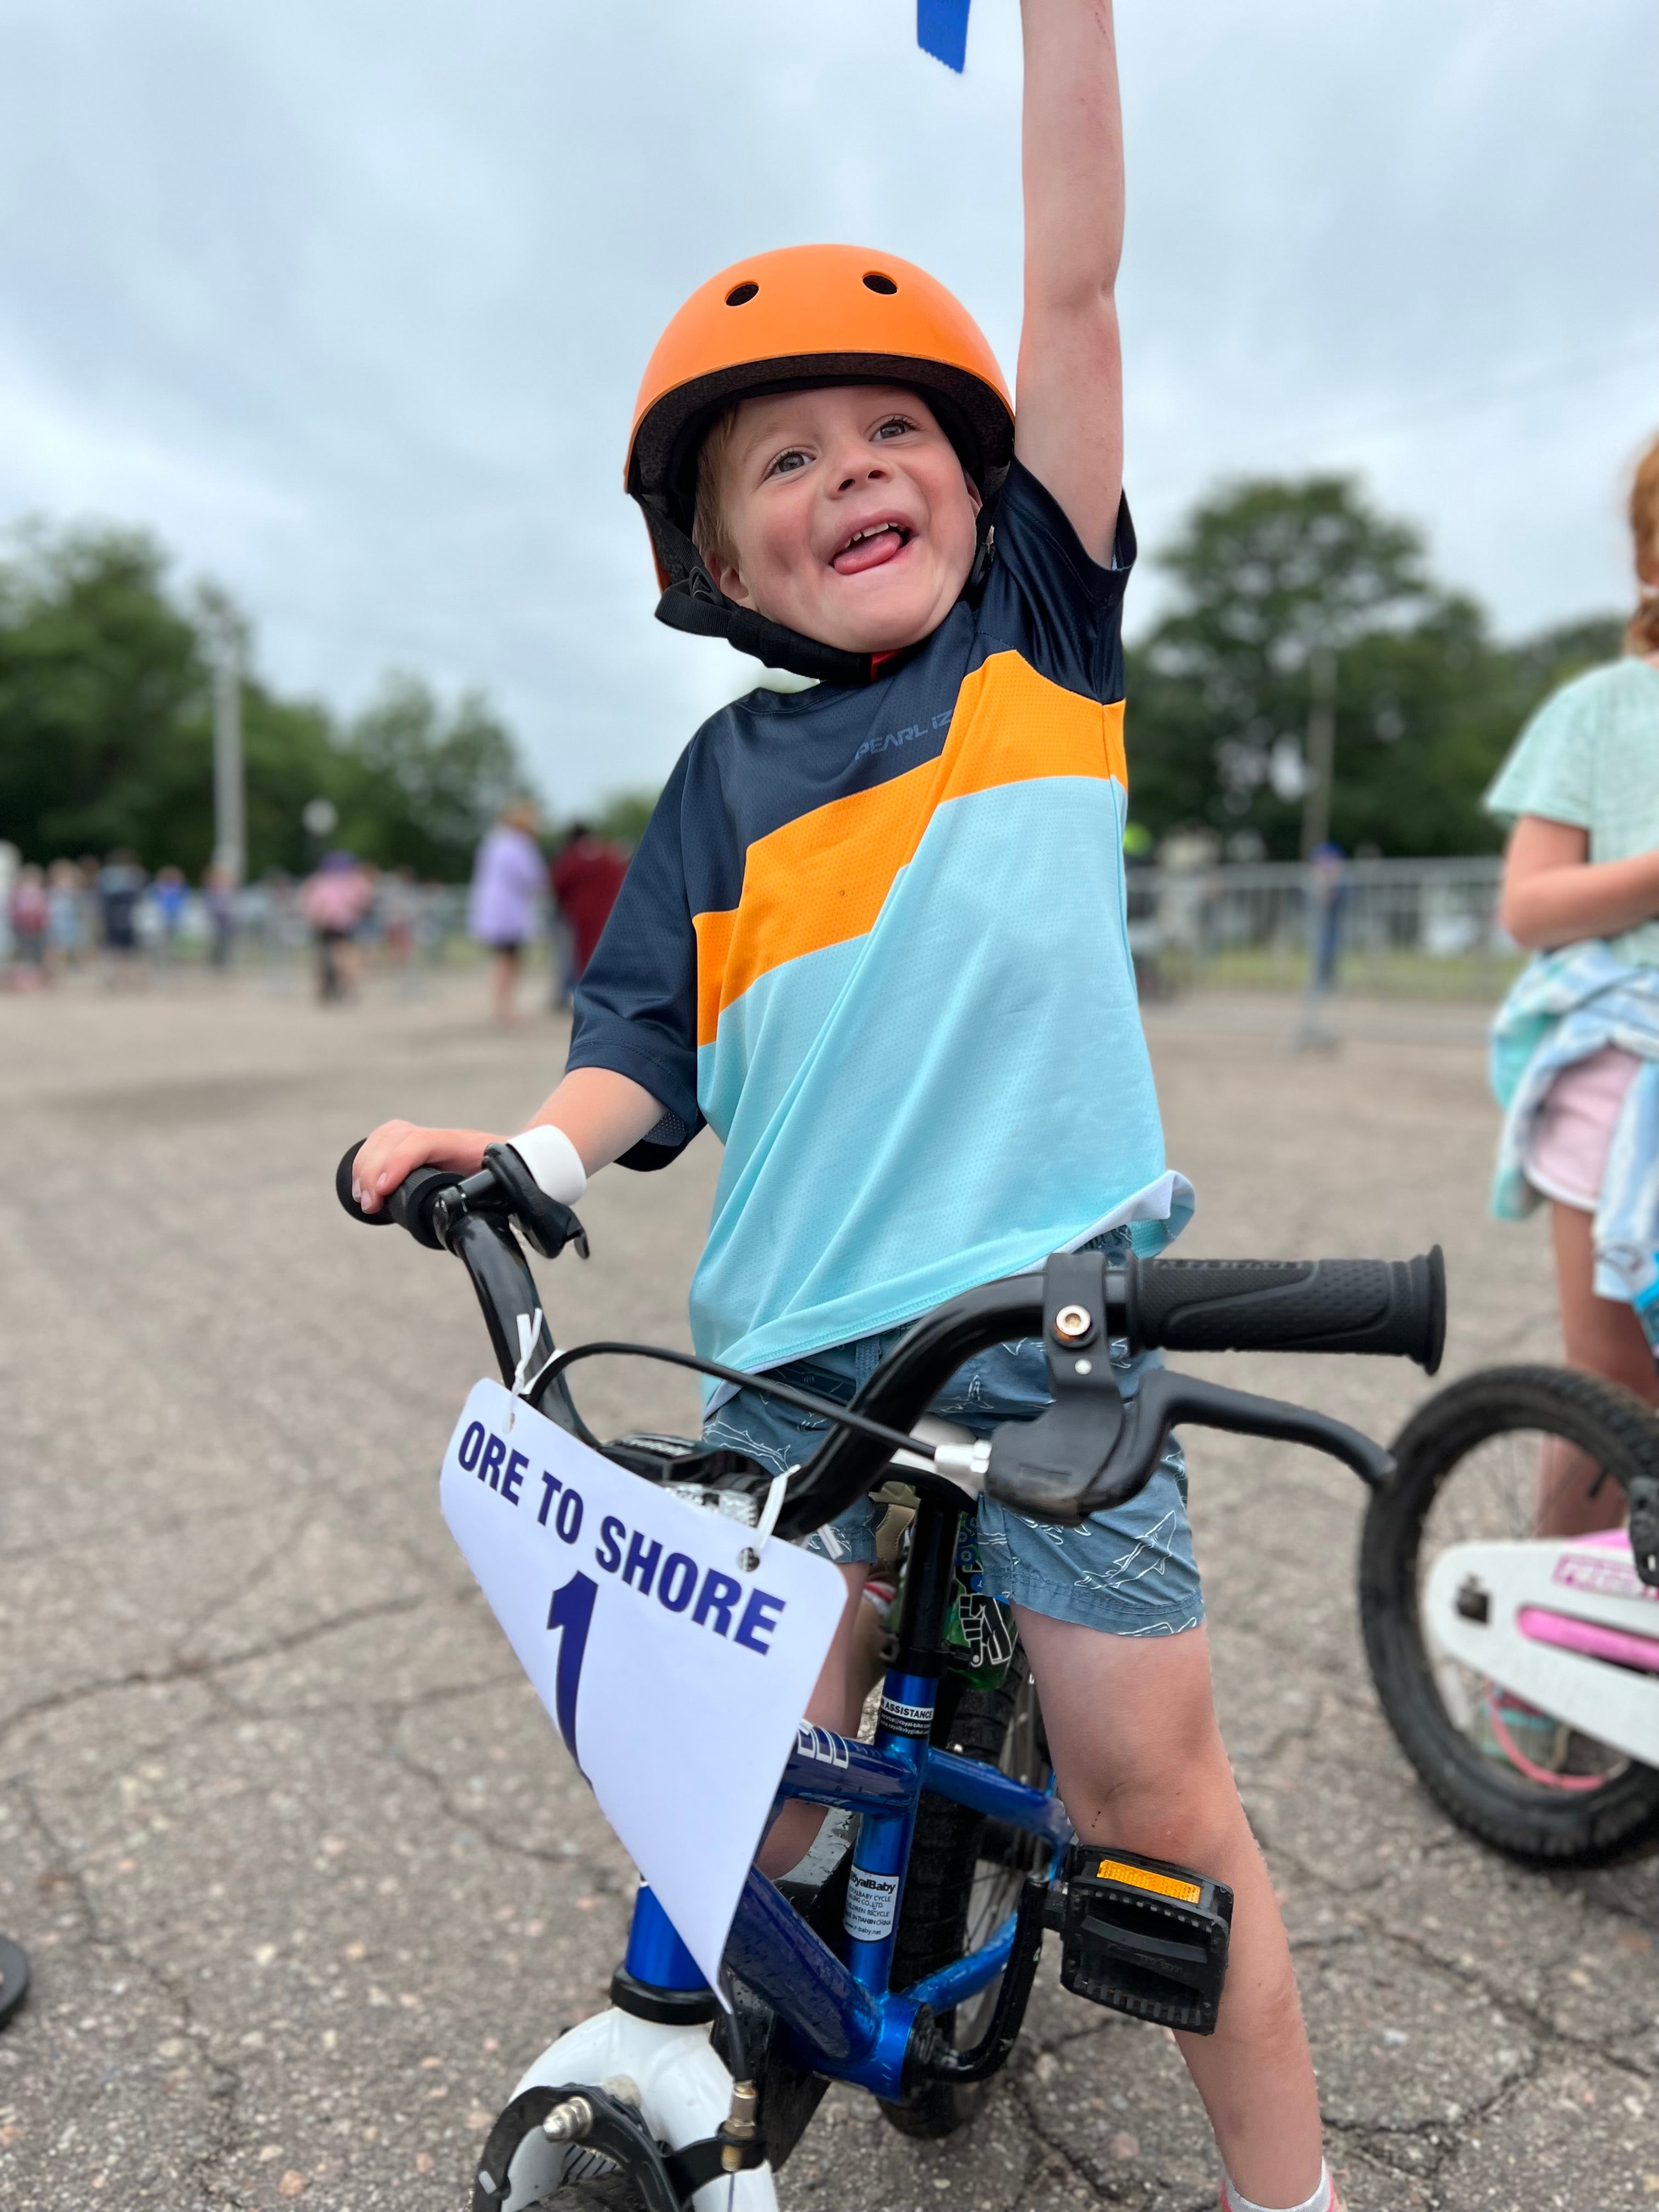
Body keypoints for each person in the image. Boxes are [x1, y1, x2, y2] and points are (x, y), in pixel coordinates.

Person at [351, 13, 1343, 2208]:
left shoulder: (1036, 641)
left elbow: (1074, 282)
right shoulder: (721, 782)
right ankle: (718, 2058)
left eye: (895, 429)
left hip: (1051, 1319)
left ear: (985, 487)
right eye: (783, 460)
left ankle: (1302, 2197)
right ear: (719, 555)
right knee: (758, 1769)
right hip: (786, 1342)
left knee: (1150, 1797)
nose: (851, 470)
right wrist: (527, 1151)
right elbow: (642, 1046)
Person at [1487, 432, 1659, 1540]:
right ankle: (1542, 1673)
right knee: (1614, 1390)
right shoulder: (1605, 708)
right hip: (1624, 1065)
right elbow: (1531, 905)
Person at [467, 800, 545, 1024]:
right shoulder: (519, 845)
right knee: (509, 959)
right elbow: (532, 878)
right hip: (509, 911)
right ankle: (505, 1006)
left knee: (502, 958)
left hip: (495, 909)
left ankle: (500, 1006)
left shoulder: (493, 843)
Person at [550, 823, 628, 988]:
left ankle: (574, 991)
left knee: (575, 955)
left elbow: (558, 884)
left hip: (579, 914)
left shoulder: (572, 858)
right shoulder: (609, 855)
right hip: (611, 912)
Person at [299, 850, 373, 1003]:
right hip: (347, 924)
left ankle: (329, 986)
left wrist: (315, 920)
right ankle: (347, 985)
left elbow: (312, 906)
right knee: (346, 956)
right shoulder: (354, 881)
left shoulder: (319, 882)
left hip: (327, 925)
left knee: (328, 956)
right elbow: (364, 902)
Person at [97, 849, 148, 985]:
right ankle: (128, 979)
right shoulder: (129, 885)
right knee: (127, 954)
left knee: (121, 953)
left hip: (121, 923)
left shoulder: (110, 884)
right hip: (125, 923)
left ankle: (126, 979)